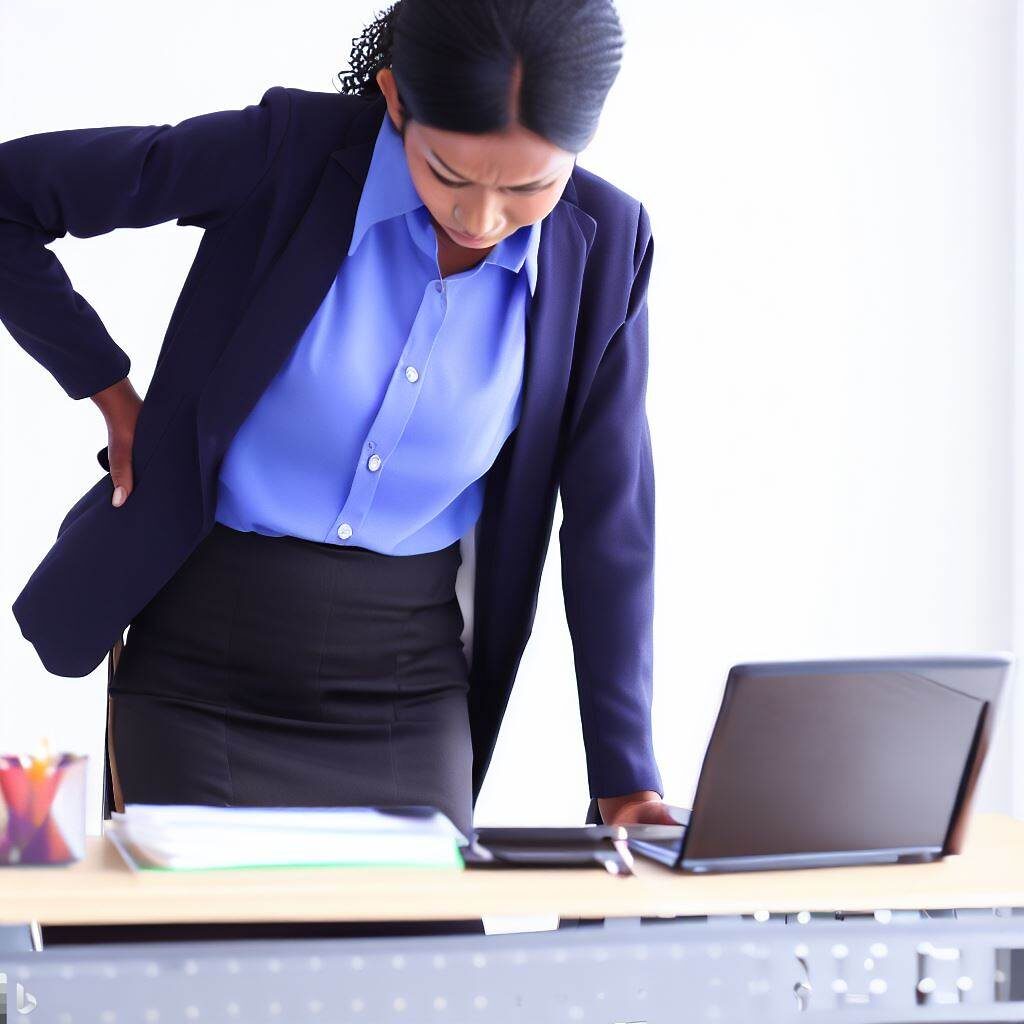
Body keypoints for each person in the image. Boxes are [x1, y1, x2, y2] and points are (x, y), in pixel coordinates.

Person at [0, 0, 674, 843]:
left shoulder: (607, 245)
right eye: (451, 175)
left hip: (404, 687)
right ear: (395, 100)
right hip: (198, 664)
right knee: (194, 968)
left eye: (530, 186)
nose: (482, 217)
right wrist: (107, 389)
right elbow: (11, 201)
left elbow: (611, 522)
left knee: (418, 970)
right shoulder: (289, 152)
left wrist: (625, 781)